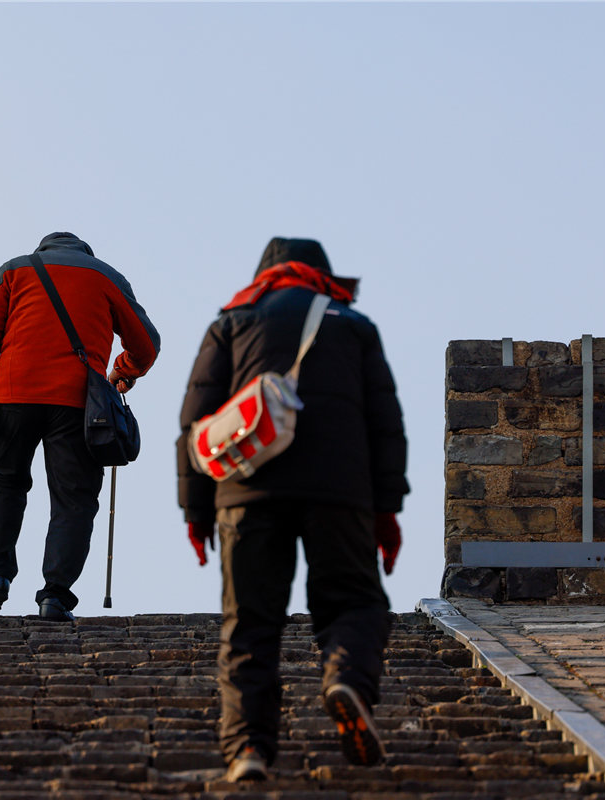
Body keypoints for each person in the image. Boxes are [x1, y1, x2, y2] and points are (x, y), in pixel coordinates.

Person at [176, 237, 408, 781]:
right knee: (354, 602)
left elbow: (194, 425)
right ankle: (345, 678)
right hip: (340, 492)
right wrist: (386, 510)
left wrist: (197, 511)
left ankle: (248, 750)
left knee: (249, 623)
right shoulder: (353, 326)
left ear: (266, 274)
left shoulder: (231, 321)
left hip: (245, 490)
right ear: (320, 276)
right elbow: (385, 425)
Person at [0, 232, 160, 622]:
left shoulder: (14, 271)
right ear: (85, 253)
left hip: (13, 394)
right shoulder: (106, 276)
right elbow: (147, 344)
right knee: (74, 499)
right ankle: (54, 596)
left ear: (44, 250)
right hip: (77, 402)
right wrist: (121, 372)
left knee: (7, 480)